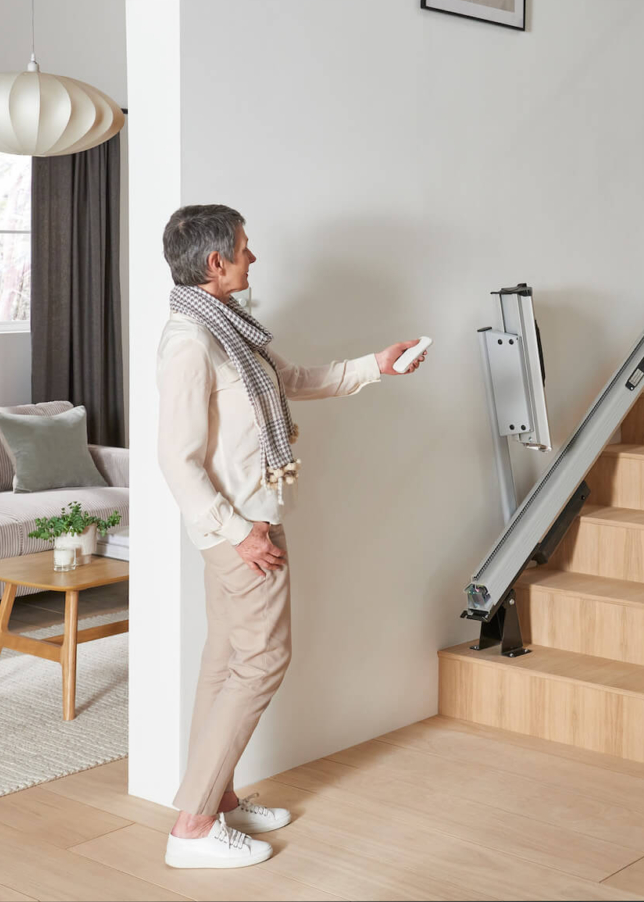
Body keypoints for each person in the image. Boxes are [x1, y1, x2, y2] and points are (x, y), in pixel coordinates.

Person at [154, 204, 425, 869]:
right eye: (245, 250)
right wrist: (240, 532)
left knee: (226, 662)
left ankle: (213, 799)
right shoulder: (192, 341)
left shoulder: (231, 330)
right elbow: (176, 460)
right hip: (239, 529)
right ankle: (191, 827)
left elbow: (292, 379)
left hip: (244, 524)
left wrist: (375, 366)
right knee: (261, 661)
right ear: (215, 263)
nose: (254, 259)